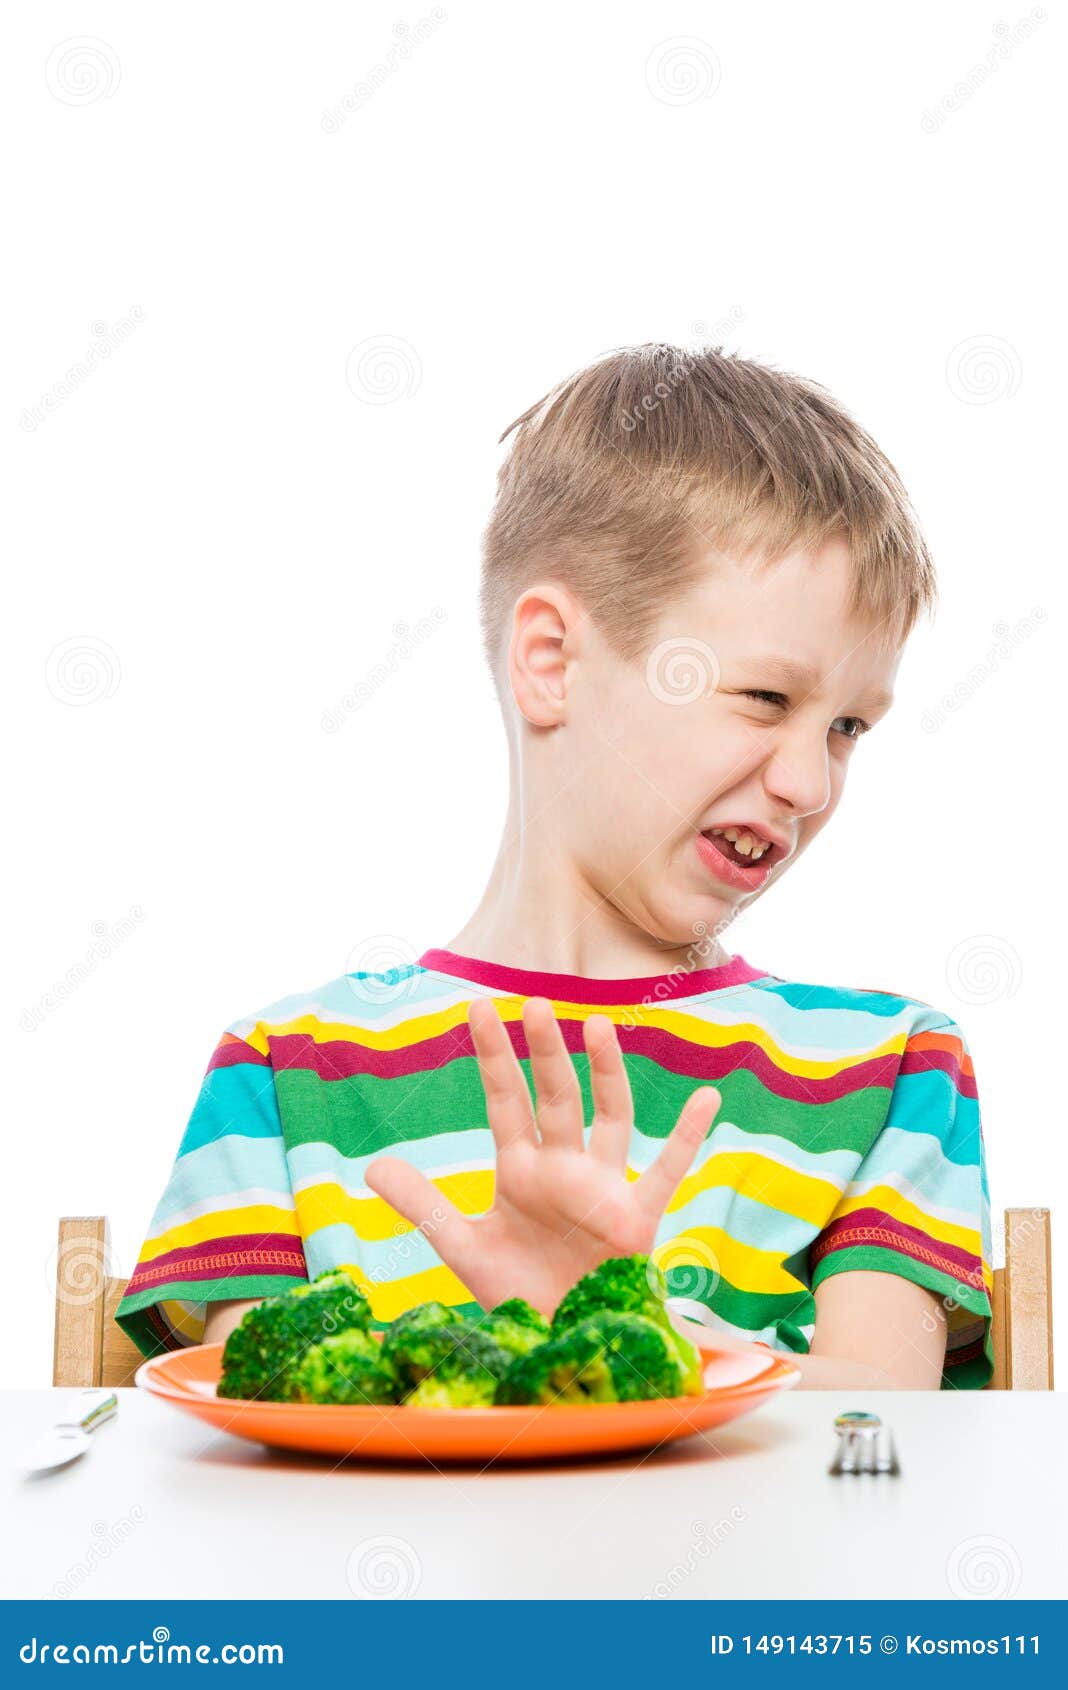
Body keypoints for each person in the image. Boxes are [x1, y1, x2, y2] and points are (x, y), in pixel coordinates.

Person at [115, 345, 992, 1389]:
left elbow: (889, 1426)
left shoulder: (889, 1068)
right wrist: (530, 1336)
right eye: (765, 698)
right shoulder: (287, 1073)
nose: (809, 780)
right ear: (552, 661)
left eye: (849, 725)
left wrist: (621, 1334)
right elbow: (251, 1434)